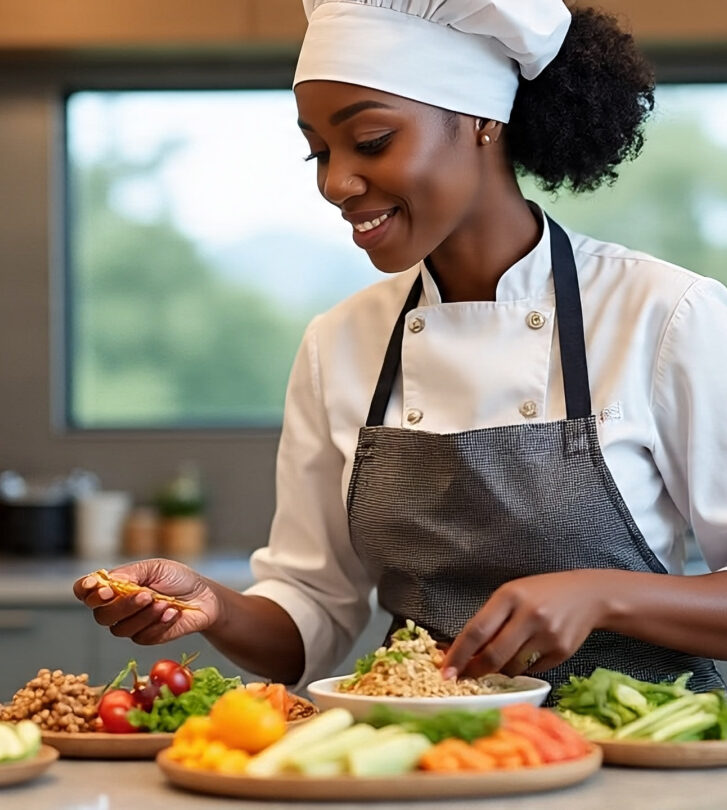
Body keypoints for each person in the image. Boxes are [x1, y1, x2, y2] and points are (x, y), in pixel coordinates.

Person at [75, 0, 727, 695]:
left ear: (482, 120)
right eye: (319, 152)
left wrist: (604, 595)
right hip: (420, 746)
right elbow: (311, 612)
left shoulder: (666, 315)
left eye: (372, 140)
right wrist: (213, 605)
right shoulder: (338, 342)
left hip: (636, 749)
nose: (336, 184)